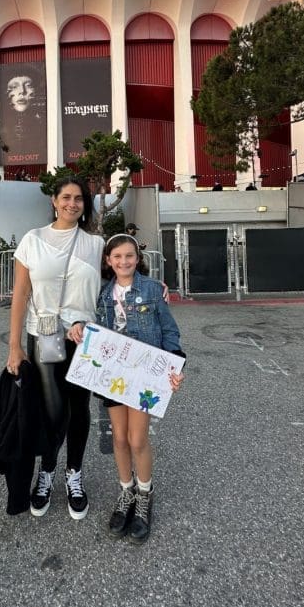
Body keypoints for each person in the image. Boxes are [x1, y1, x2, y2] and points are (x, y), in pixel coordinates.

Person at [6, 176, 104, 520]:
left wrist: (153, 287)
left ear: (85, 204)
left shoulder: (95, 244)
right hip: (44, 335)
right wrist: (14, 346)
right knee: (53, 410)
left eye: (79, 198)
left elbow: (125, 270)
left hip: (85, 339)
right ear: (54, 200)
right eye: (66, 197)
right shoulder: (32, 240)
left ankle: (74, 472)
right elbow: (20, 295)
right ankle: (47, 470)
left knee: (80, 409)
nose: (72, 203)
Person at [92, 233, 184, 544]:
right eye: (117, 257)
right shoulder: (102, 293)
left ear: (138, 258)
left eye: (129, 256)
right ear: (108, 260)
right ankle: (126, 491)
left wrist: (175, 365)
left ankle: (145, 494)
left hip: (144, 376)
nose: (124, 261)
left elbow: (169, 330)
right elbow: (96, 331)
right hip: (113, 375)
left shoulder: (153, 290)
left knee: (137, 438)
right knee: (118, 438)